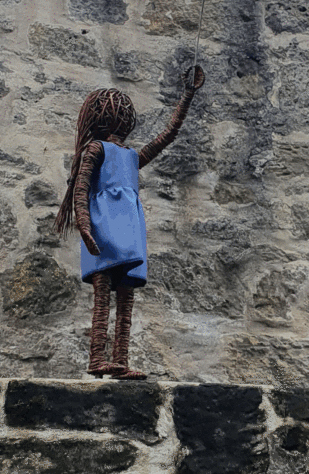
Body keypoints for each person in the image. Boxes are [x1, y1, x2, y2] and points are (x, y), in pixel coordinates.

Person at [55, 65, 205, 379]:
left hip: (129, 230)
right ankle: (97, 358)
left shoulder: (131, 156)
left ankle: (120, 360)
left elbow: (168, 135)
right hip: (104, 228)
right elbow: (80, 188)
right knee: (103, 291)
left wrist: (188, 96)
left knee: (126, 294)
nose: (121, 116)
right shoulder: (95, 149)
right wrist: (84, 224)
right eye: (115, 111)